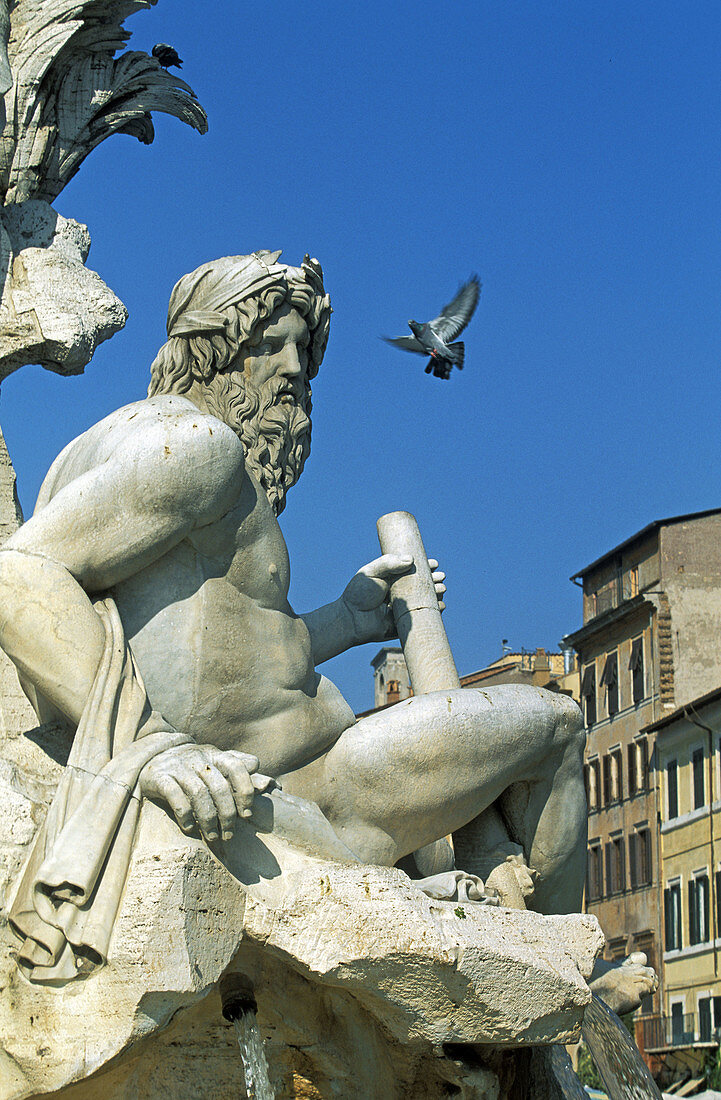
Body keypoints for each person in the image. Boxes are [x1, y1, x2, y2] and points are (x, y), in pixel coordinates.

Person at [0, 251, 654, 1005]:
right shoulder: (197, 450)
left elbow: (216, 661)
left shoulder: (133, 443)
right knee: (556, 723)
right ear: (211, 348)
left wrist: (343, 622)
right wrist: (149, 751)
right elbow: (20, 576)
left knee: (508, 752)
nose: (294, 371)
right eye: (269, 345)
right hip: (299, 788)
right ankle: (565, 998)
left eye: (302, 353)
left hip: (276, 766)